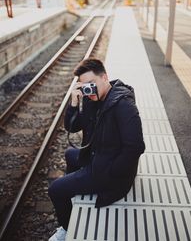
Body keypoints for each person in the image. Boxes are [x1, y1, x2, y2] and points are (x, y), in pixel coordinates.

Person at [48, 58, 145, 241]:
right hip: (98, 155)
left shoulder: (123, 105)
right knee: (70, 154)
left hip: (107, 171)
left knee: (55, 190)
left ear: (105, 77)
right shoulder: (93, 98)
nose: (88, 89)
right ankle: (76, 189)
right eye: (84, 86)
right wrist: (74, 103)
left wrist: (112, 172)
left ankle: (68, 230)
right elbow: (72, 127)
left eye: (91, 84)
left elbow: (135, 146)